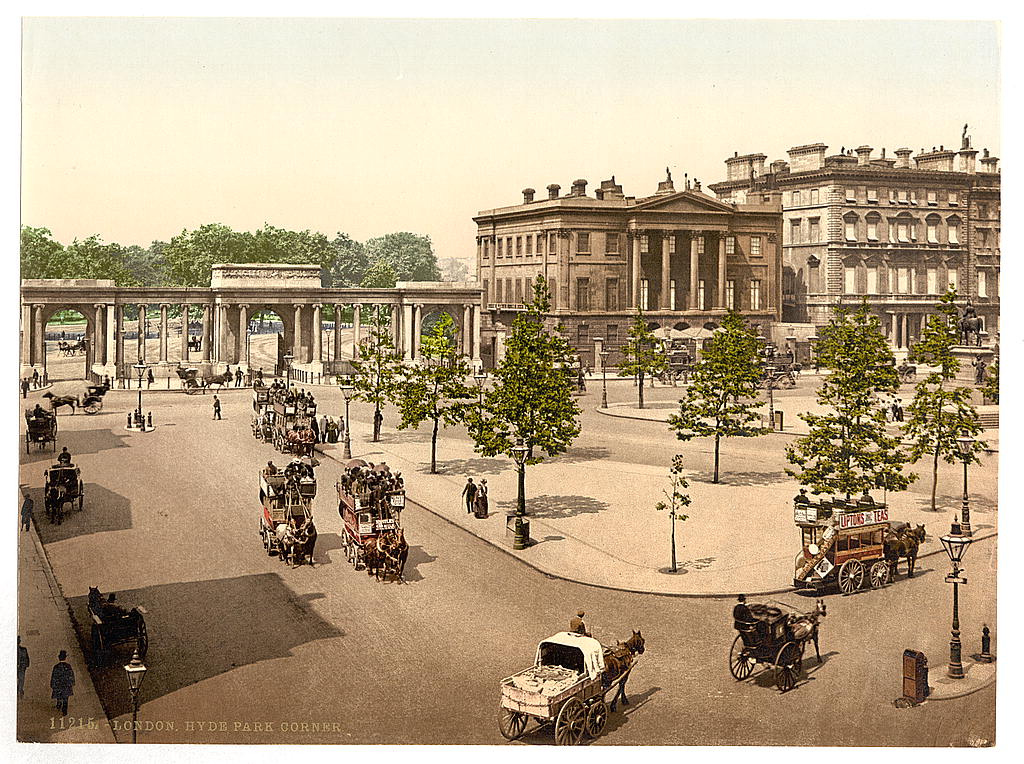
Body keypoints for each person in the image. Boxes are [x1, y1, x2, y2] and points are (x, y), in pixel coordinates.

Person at [50, 650, 75, 716]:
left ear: (59, 658)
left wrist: (52, 684)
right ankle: (64, 711)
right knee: (66, 698)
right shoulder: (68, 666)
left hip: (59, 685)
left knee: (59, 695)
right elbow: (71, 675)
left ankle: (58, 705)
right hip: (66, 685)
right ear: (65, 658)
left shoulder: (56, 667)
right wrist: (72, 683)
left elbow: (54, 677)